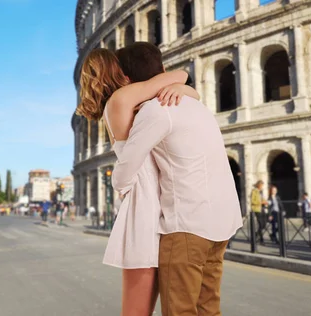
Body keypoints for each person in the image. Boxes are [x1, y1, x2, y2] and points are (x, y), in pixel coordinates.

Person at [112, 42, 243, 315]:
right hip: (222, 222)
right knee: (208, 308)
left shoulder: (155, 110)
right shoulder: (197, 105)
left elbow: (127, 165)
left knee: (179, 310)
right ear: (162, 70)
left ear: (126, 80)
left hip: (187, 226)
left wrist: (121, 187)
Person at [78, 47, 201, 315]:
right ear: (117, 72)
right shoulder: (122, 99)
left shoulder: (130, 103)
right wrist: (183, 82)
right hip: (145, 212)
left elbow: (181, 91)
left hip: (155, 210)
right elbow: (176, 77)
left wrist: (184, 89)